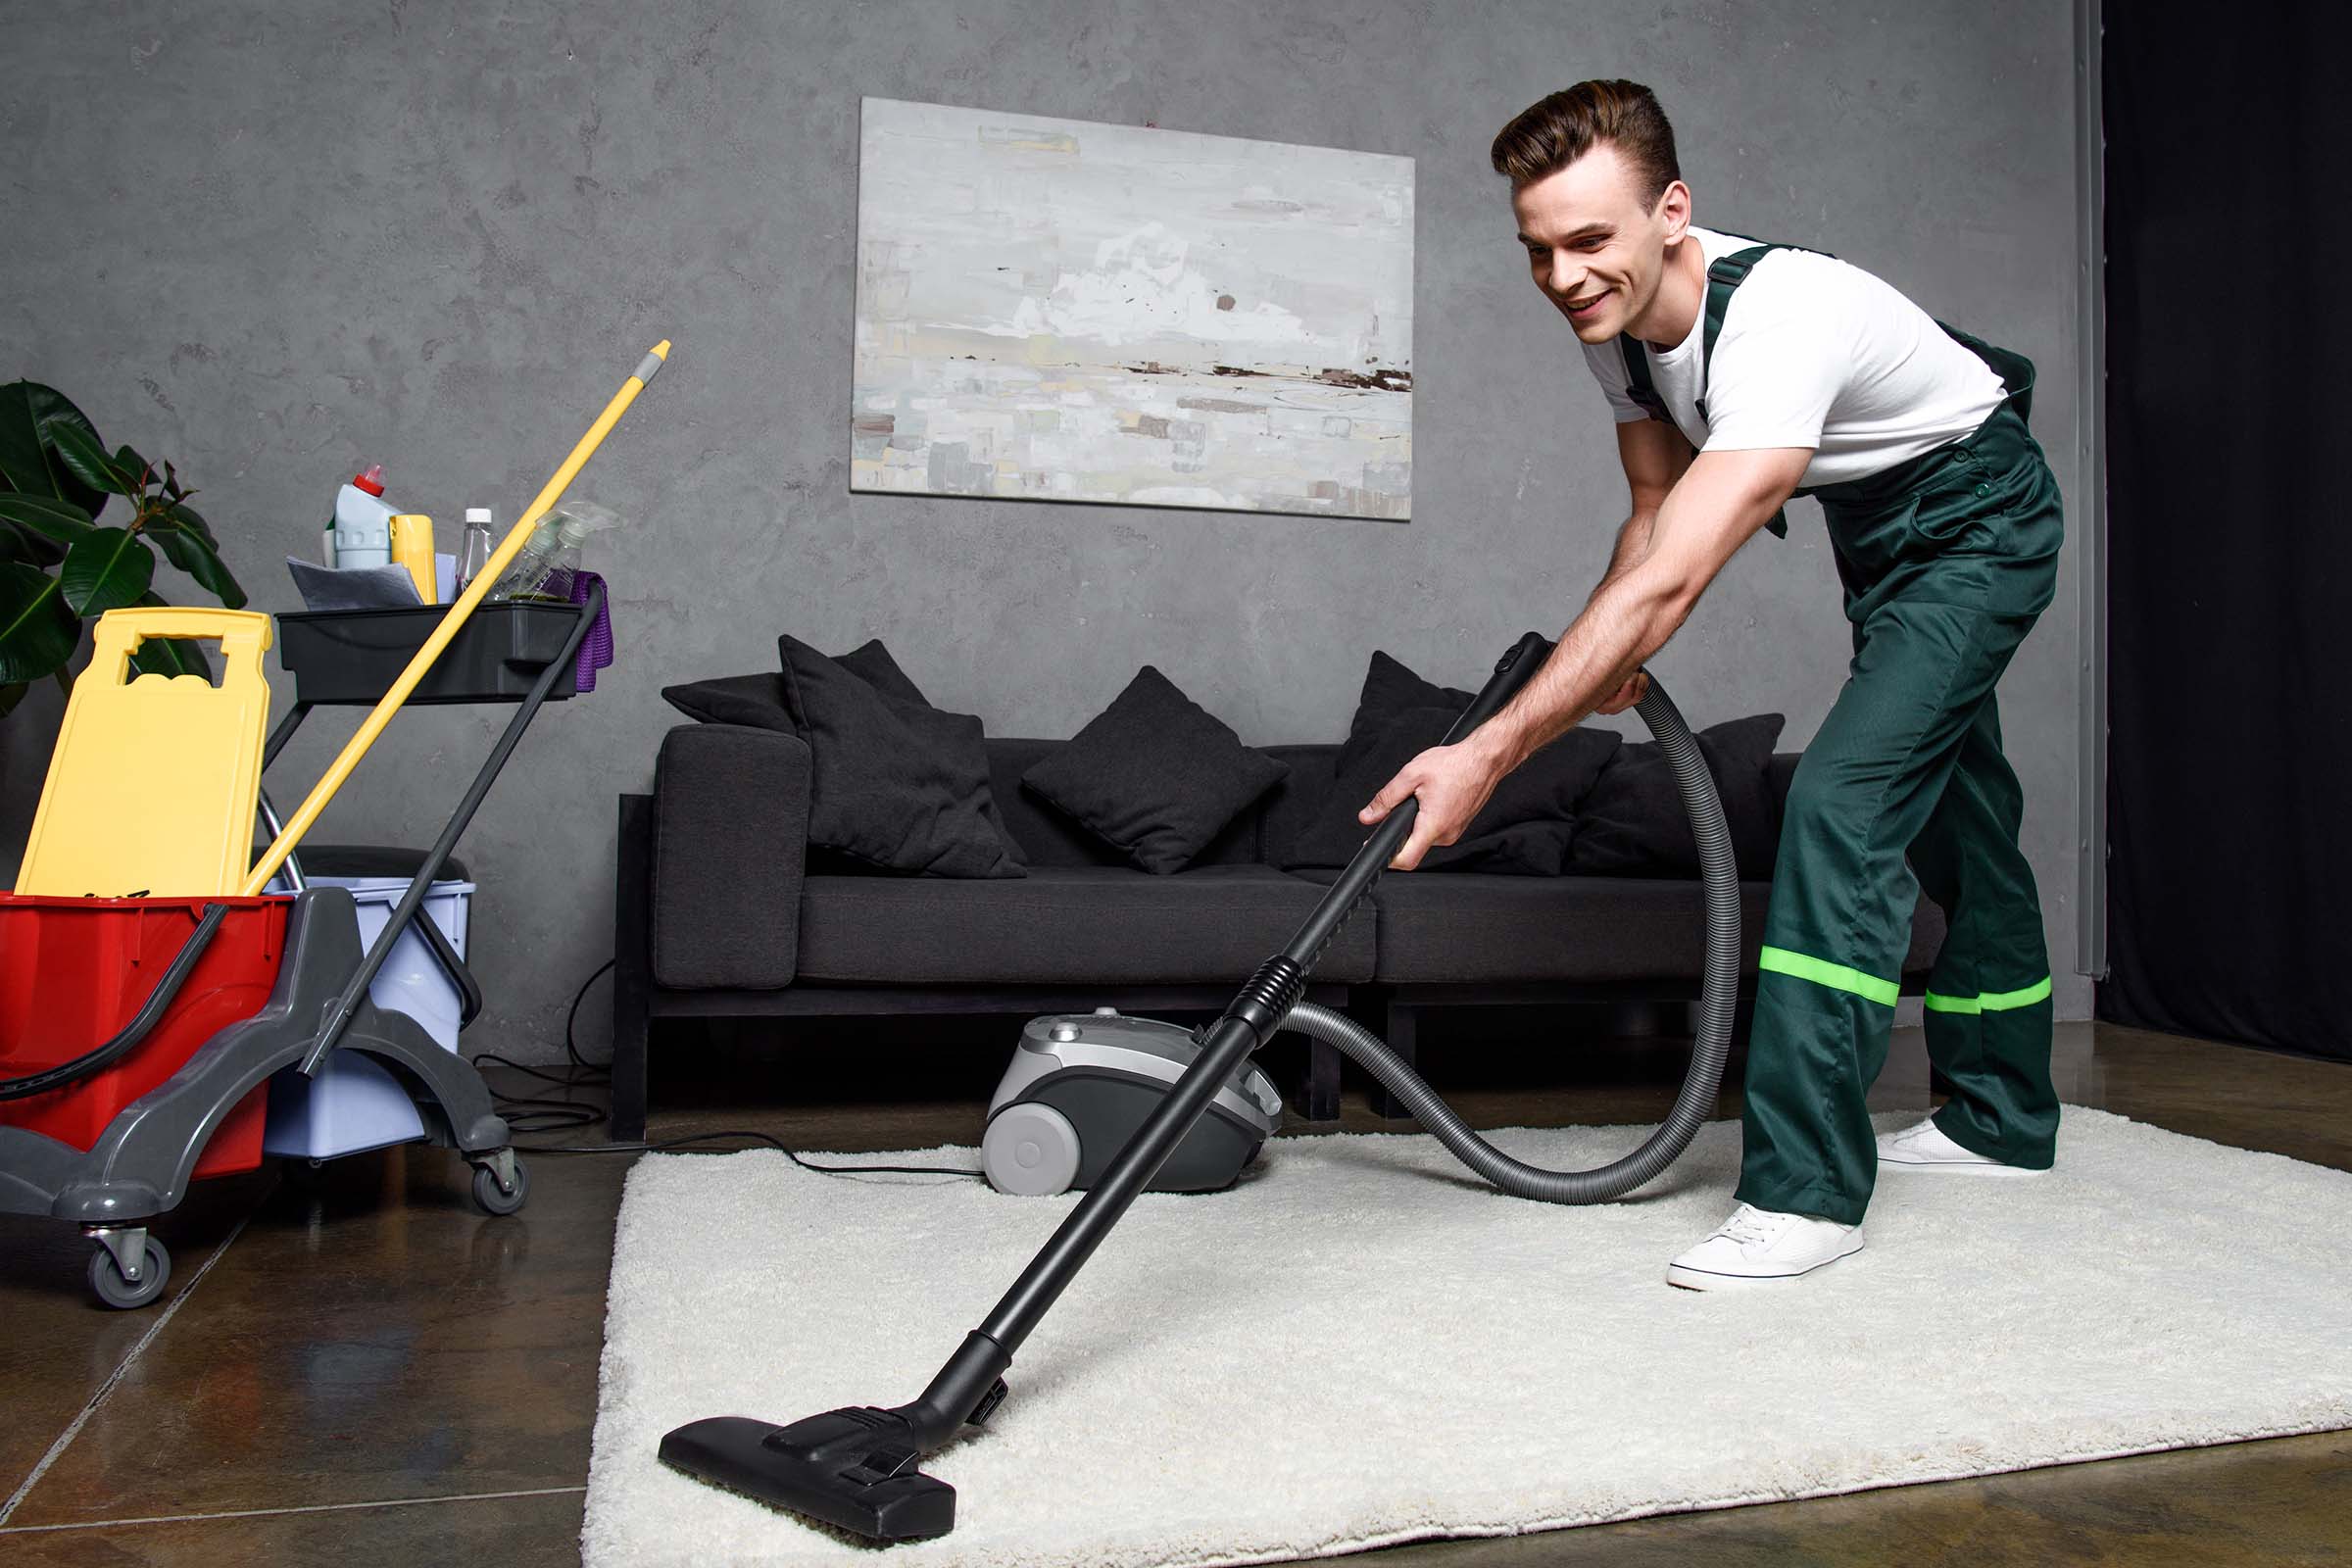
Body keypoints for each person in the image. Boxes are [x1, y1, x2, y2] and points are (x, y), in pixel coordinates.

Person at [1358, 79, 2063, 1289]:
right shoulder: (1616, 326)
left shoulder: (1783, 320)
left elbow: (1678, 574)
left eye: (1591, 239)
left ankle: (1805, 1193)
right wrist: (1613, 646)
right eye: (1539, 250)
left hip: (1978, 522)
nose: (1564, 277)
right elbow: (1652, 510)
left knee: (1843, 804)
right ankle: (2004, 1115)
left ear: (1672, 212)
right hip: (1884, 531)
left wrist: (1491, 750)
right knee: (1960, 811)